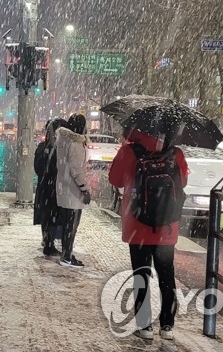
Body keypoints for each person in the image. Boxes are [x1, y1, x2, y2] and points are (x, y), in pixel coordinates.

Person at [108, 127, 189, 341]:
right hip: (166, 227)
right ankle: (167, 325)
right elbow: (183, 183)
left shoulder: (129, 151)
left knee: (141, 274)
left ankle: (144, 325)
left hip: (138, 226)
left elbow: (115, 180)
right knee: (167, 276)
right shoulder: (175, 153)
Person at [54, 113, 91, 268]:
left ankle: (66, 253)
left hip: (64, 187)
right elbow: (77, 170)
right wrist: (85, 189)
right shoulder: (75, 143)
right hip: (73, 192)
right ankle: (67, 256)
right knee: (71, 225)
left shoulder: (63, 140)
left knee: (67, 224)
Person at [34, 118, 66, 257]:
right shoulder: (57, 149)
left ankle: (47, 241)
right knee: (52, 216)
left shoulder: (42, 147)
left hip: (44, 187)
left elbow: (37, 169)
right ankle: (49, 244)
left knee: (47, 216)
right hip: (53, 189)